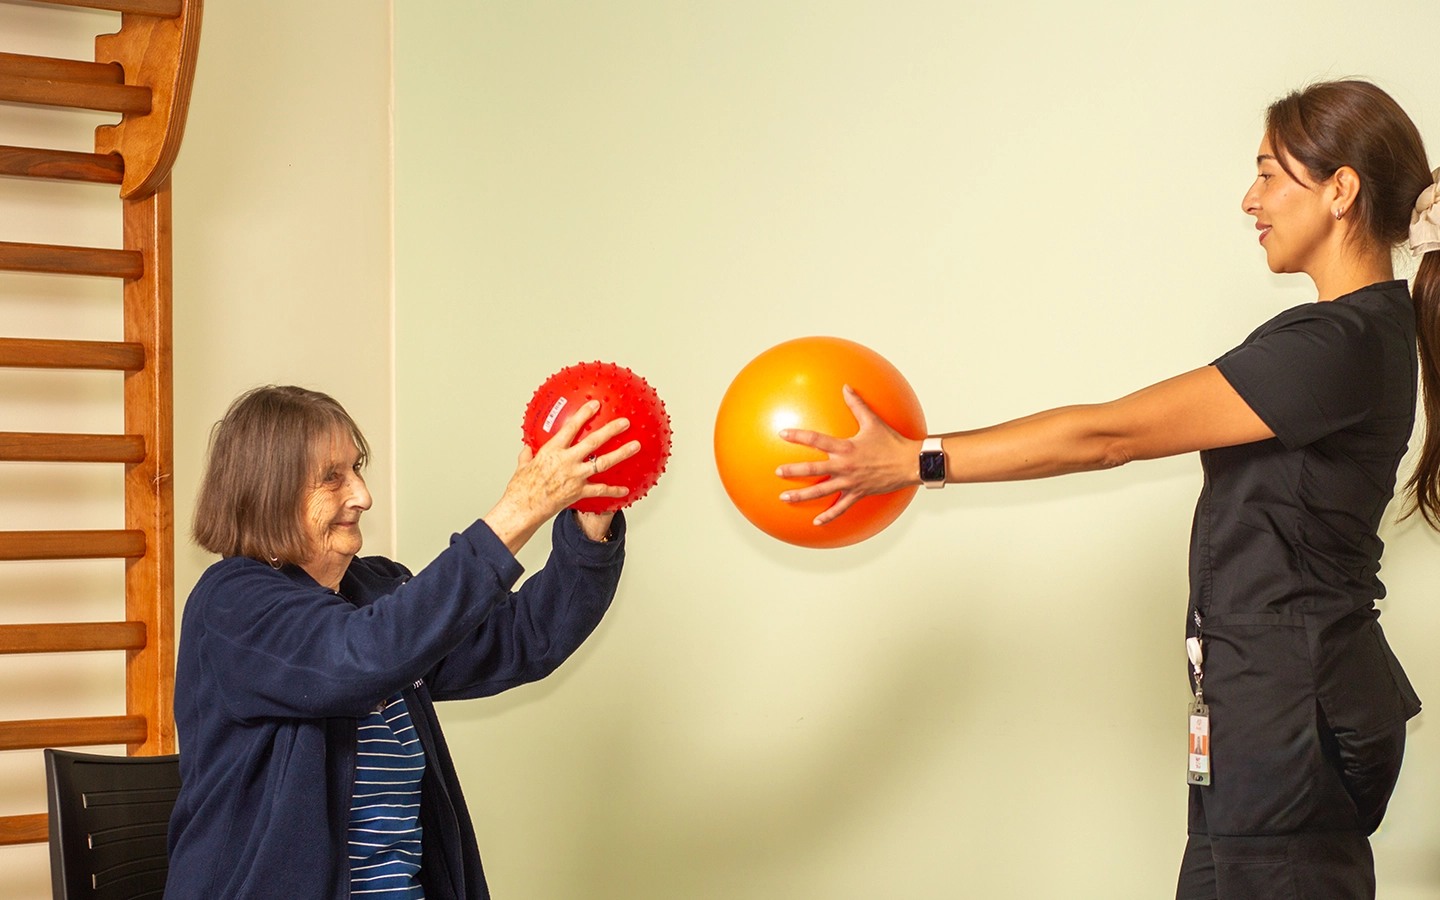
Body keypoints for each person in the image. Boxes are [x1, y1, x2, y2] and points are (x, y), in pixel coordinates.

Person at [777, 80, 1440, 900]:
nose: (1250, 198)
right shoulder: (1354, 334)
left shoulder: (1338, 342)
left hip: (1289, 712)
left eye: (1269, 174)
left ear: (1340, 190)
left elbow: (1109, 436)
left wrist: (917, 459)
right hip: (1269, 705)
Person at [164, 384, 640, 900]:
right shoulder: (231, 603)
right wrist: (520, 508)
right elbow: (362, 656)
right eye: (332, 478)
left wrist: (590, 531)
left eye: (357, 468)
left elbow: (524, 639)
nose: (362, 496)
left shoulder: (373, 591)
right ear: (268, 492)